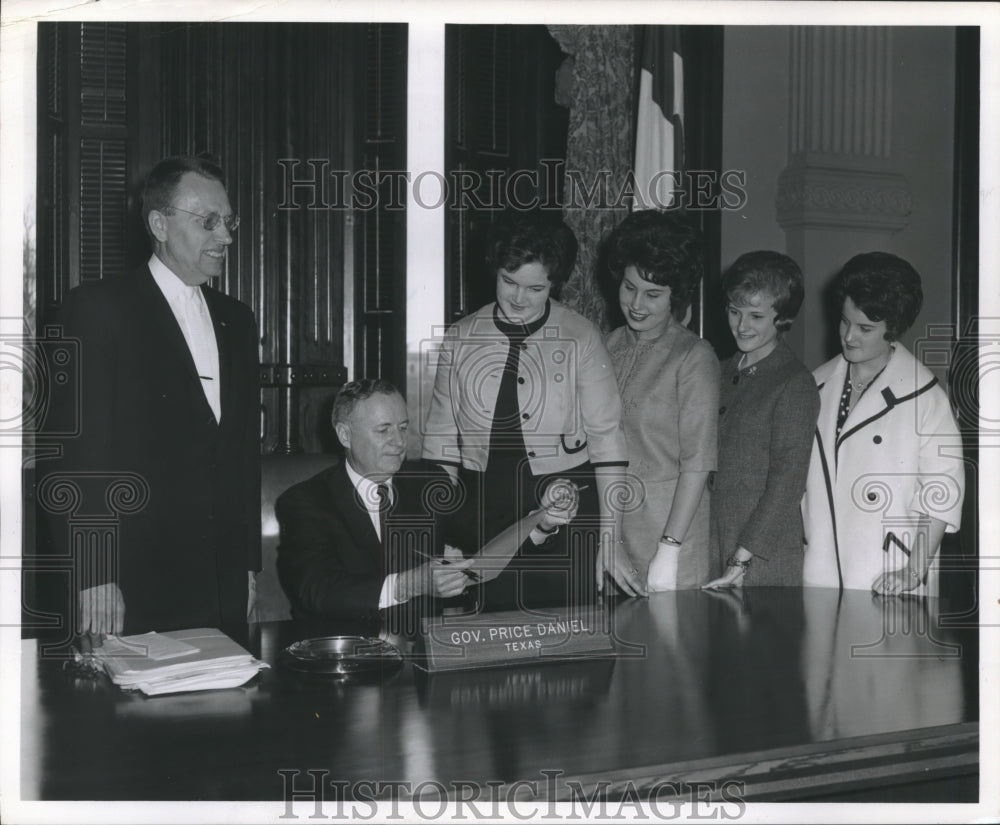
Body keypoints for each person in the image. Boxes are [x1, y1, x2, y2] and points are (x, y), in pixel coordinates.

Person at [46, 155, 261, 636]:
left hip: (221, 581)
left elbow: (243, 455)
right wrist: (93, 574)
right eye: (208, 222)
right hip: (130, 583)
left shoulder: (238, 320)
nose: (225, 236)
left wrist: (247, 567)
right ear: (159, 224)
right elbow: (74, 456)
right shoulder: (97, 309)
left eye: (229, 221)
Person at [422, 211, 641, 606]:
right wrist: (442, 532)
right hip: (487, 509)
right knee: (494, 635)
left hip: (567, 505)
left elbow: (607, 441)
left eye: (535, 288)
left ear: (554, 284)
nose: (519, 298)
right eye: (509, 282)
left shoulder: (582, 336)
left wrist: (611, 538)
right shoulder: (459, 337)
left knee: (567, 634)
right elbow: (440, 444)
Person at [276, 379, 578, 626]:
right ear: (345, 435)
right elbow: (317, 591)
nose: (399, 443)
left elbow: (484, 534)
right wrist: (410, 585)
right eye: (383, 430)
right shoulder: (306, 501)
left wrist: (541, 522)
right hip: (343, 657)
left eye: (403, 428)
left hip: (420, 652)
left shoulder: (426, 482)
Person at [802, 253, 964, 597]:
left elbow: (941, 495)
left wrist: (913, 571)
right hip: (820, 572)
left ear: (893, 328)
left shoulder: (926, 397)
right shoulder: (815, 384)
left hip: (891, 575)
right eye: (844, 322)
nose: (849, 337)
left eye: (865, 329)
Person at [603, 210, 719, 590]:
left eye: (653, 294)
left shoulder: (693, 356)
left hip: (671, 538)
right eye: (629, 287)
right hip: (613, 536)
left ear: (676, 297)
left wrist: (669, 550)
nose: (637, 303)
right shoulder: (609, 345)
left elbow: (698, 465)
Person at [703, 251, 819, 588]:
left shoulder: (793, 382)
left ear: (782, 318)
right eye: (734, 311)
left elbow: (788, 482)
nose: (741, 325)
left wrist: (742, 557)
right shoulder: (720, 370)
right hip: (712, 549)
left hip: (761, 564)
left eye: (756, 316)